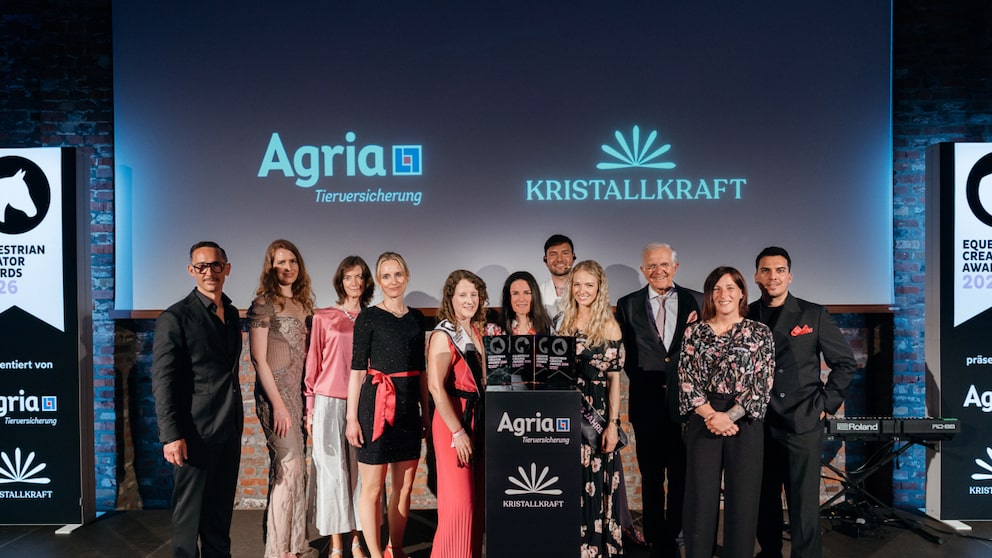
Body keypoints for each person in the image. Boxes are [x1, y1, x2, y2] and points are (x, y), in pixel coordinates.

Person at [750, 247, 856, 558]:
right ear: (756, 276)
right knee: (763, 497)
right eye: (766, 271)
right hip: (760, 422)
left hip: (802, 421)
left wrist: (825, 404)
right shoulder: (747, 314)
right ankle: (768, 552)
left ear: (790, 275)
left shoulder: (813, 314)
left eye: (779, 270)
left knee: (803, 501)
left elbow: (845, 363)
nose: (773, 277)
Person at [152, 241, 243, 558]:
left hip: (228, 430)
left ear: (226, 268)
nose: (209, 272)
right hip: (193, 434)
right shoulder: (175, 318)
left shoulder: (231, 314)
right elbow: (163, 381)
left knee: (219, 519)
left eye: (215, 265)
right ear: (191, 271)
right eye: (201, 266)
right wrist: (171, 435)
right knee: (188, 522)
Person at [677, 266, 774, 558]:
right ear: (709, 295)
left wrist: (728, 417)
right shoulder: (694, 331)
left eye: (730, 287)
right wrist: (711, 416)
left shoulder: (759, 332)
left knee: (743, 500)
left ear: (742, 292)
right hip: (703, 418)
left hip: (744, 420)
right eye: (717, 289)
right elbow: (686, 379)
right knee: (700, 499)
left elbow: (762, 383)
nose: (724, 294)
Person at [614, 242, 699, 558]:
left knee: (681, 473)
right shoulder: (627, 304)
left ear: (675, 267)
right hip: (646, 401)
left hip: (687, 403)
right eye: (651, 266)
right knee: (650, 475)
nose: (658, 271)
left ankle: (676, 532)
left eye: (664, 265)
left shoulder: (696, 301)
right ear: (643, 270)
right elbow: (626, 354)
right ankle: (653, 534)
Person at [346, 252, 428, 558]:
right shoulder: (368, 317)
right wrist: (351, 418)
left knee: (404, 488)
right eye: (385, 276)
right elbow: (356, 372)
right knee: (373, 489)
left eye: (398, 274)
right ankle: (376, 554)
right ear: (378, 281)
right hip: (375, 408)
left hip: (408, 409)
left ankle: (397, 547)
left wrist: (427, 416)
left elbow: (421, 372)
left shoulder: (417, 318)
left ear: (406, 276)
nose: (392, 281)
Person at [248, 239, 315, 558]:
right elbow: (259, 360)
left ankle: (296, 543)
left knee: (296, 469)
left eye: (293, 261)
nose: (287, 267)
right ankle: (277, 551)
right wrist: (277, 405)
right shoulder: (263, 304)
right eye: (280, 262)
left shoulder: (304, 305)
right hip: (275, 397)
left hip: (298, 396)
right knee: (287, 468)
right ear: (270, 267)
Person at [305, 256, 374, 558]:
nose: (355, 283)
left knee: (362, 475)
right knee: (332, 474)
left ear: (367, 282)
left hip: (364, 402)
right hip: (328, 403)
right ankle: (335, 544)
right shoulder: (323, 317)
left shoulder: (375, 318)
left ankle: (357, 540)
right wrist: (309, 408)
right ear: (340, 281)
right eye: (349, 277)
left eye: (360, 277)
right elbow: (313, 363)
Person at [556, 260, 626, 557]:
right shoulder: (563, 322)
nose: (582, 290)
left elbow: (614, 381)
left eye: (589, 285)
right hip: (565, 412)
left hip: (594, 414)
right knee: (568, 481)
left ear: (599, 288)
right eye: (577, 284)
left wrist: (612, 423)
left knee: (595, 484)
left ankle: (595, 546)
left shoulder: (608, 324)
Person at [426, 270, 489, 558]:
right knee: (459, 503)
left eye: (474, 294)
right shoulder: (443, 334)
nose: (469, 299)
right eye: (462, 294)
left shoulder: (475, 330)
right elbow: (436, 389)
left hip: (476, 418)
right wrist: (458, 431)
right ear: (450, 298)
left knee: (475, 501)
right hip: (455, 421)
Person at [492, 270, 554, 335]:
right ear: (508, 297)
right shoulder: (496, 330)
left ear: (535, 296)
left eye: (527, 293)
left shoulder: (548, 329)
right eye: (515, 293)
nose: (521, 299)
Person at [538, 234, 575, 318]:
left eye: (565, 253)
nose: (559, 259)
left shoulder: (585, 291)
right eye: (553, 254)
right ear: (545, 259)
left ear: (573, 257)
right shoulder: (538, 293)